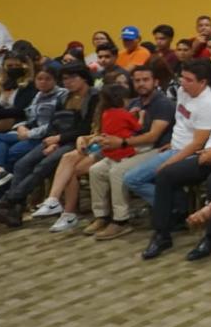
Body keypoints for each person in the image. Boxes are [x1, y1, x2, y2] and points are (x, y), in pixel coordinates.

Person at [0, 64, 97, 227]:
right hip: (56, 139)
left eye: (72, 77)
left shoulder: (94, 97)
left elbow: (84, 128)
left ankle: (6, 203)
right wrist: (52, 139)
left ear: (84, 77)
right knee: (22, 164)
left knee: (43, 165)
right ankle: (14, 212)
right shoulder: (65, 98)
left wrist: (58, 138)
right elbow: (54, 122)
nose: (68, 82)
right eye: (65, 79)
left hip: (78, 141)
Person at [128, 60, 211, 259]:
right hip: (175, 147)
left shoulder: (208, 105)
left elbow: (197, 144)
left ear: (203, 82)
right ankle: (176, 208)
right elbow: (181, 124)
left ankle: (162, 234)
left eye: (188, 80)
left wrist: (169, 162)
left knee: (164, 174)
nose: (183, 83)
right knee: (141, 177)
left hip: (197, 155)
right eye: (182, 78)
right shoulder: (182, 92)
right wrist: (172, 144)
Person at [81, 64, 176, 240]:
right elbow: (122, 126)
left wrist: (122, 143)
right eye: (137, 80)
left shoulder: (163, 104)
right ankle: (102, 216)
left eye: (145, 80)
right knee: (96, 170)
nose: (141, 84)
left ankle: (121, 221)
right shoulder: (134, 102)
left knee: (118, 171)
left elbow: (153, 136)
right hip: (130, 148)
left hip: (156, 150)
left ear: (155, 81)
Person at [32, 83, 139, 232]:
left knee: (72, 166)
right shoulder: (104, 111)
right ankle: (57, 204)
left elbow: (132, 132)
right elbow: (100, 132)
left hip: (116, 149)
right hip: (101, 146)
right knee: (69, 159)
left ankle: (63, 209)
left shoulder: (128, 110)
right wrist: (84, 138)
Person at [0, 64, 63, 192]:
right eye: (39, 79)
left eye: (47, 79)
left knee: (13, 152)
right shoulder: (38, 95)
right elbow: (28, 115)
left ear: (55, 80)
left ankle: (7, 196)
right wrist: (21, 126)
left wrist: (29, 133)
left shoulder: (61, 95)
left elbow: (54, 123)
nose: (43, 82)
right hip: (24, 130)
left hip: (44, 136)